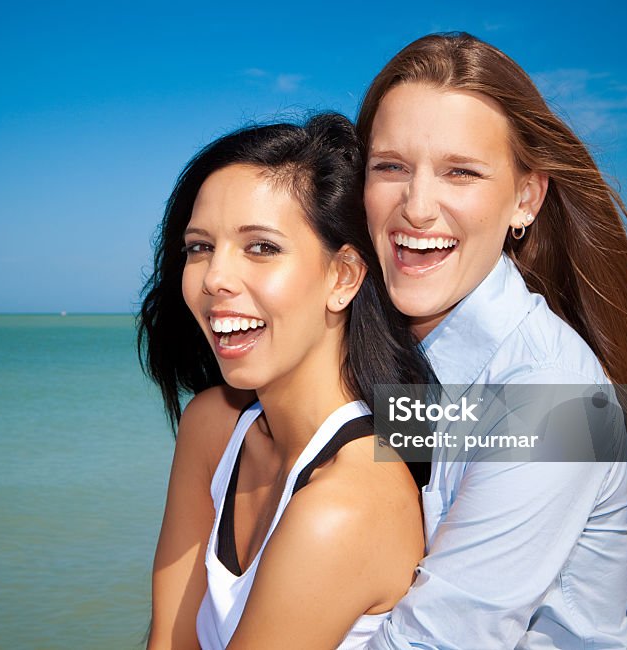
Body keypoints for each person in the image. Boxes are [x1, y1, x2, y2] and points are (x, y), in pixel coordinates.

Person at [356, 32, 627, 649]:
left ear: (526, 197)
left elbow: (434, 643)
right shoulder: (379, 354)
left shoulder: (550, 394)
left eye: (460, 172)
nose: (417, 207)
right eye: (391, 167)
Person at [138, 114, 437, 649]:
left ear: (342, 276)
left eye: (261, 247)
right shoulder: (212, 424)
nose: (213, 278)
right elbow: (171, 639)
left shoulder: (347, 503)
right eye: (200, 247)